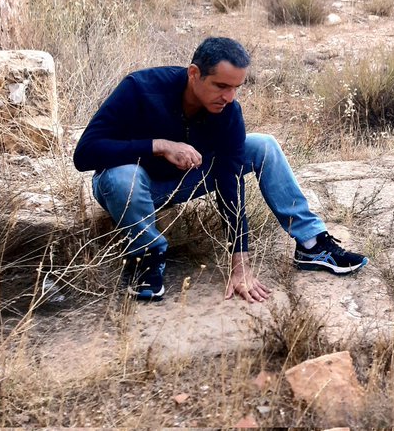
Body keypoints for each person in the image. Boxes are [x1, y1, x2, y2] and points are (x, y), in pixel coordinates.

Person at [73, 36, 367, 302]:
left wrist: (240, 264)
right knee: (125, 175)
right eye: (221, 86)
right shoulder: (140, 88)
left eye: (236, 88)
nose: (229, 97)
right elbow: (84, 155)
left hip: (183, 181)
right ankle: (145, 255)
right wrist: (160, 145)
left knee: (263, 145)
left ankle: (311, 243)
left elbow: (230, 179)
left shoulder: (228, 112)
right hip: (125, 187)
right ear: (194, 74)